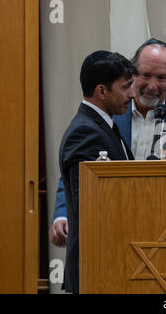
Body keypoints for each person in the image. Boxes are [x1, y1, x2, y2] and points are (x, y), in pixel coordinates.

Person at [49, 39, 166, 247]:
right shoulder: (107, 114)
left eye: (161, 78)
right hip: (113, 243)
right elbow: (79, 171)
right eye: (145, 75)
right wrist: (62, 214)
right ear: (133, 73)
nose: (152, 86)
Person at [59, 50, 135, 293]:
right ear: (102, 91)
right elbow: (93, 208)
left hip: (107, 266)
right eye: (126, 87)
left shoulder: (103, 124)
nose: (132, 94)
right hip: (97, 268)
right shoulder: (86, 133)